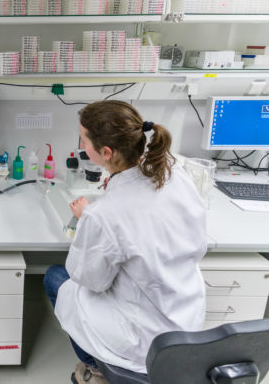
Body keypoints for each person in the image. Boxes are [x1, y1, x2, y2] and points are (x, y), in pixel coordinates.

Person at [44, 100, 207, 384]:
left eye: (84, 141)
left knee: (57, 278)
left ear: (105, 152)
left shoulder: (103, 216)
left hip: (140, 340)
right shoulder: (174, 172)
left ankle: (95, 370)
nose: (82, 145)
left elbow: (90, 280)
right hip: (184, 319)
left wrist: (87, 220)